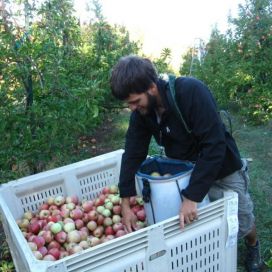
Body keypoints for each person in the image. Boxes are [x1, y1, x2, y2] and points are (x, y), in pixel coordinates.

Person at [110, 55, 263, 272]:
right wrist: (125, 201)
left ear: (152, 88)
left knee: (241, 217)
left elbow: (214, 145)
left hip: (222, 168)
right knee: (196, 223)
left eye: (135, 101)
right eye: (129, 104)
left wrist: (192, 196)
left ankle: (253, 245)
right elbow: (133, 153)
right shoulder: (144, 113)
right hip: (185, 171)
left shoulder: (190, 91)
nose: (133, 108)